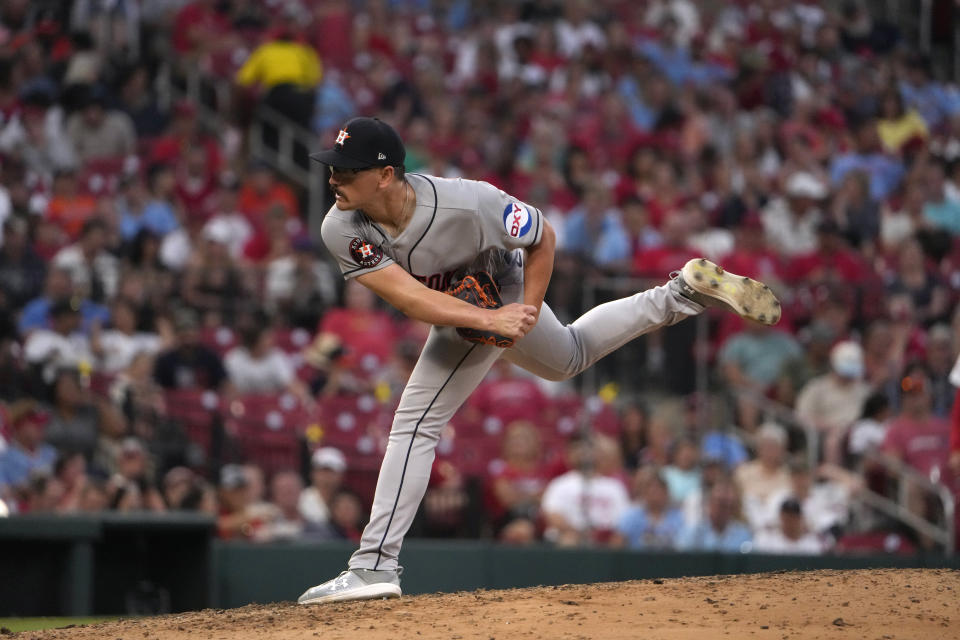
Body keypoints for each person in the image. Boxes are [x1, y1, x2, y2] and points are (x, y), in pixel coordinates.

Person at [297, 117, 780, 604]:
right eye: (333, 167)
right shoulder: (340, 225)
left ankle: (373, 566)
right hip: (470, 305)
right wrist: (493, 322)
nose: (333, 178)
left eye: (347, 169)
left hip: (499, 281)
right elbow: (411, 301)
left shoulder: (471, 201)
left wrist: (523, 308)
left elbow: (543, 236)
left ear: (384, 175)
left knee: (415, 424)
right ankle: (680, 294)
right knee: (569, 356)